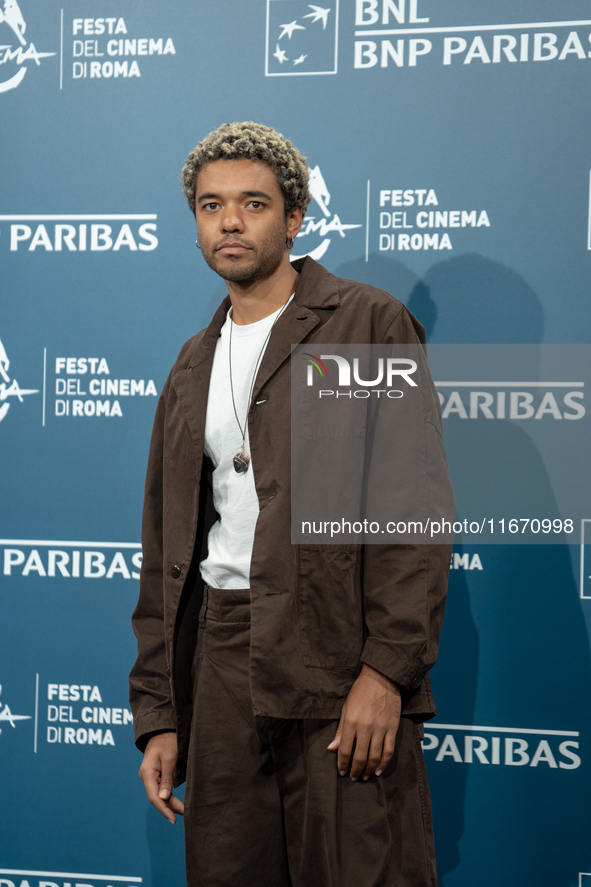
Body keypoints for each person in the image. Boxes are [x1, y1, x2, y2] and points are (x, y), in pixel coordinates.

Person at [129, 121, 454, 887]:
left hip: (337, 652)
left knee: (363, 872)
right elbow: (164, 546)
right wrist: (162, 713)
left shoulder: (366, 325)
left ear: (295, 217)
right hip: (221, 654)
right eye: (210, 207)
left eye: (252, 204)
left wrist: (386, 671)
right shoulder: (190, 362)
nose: (230, 222)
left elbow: (412, 510)